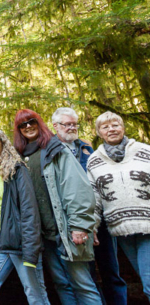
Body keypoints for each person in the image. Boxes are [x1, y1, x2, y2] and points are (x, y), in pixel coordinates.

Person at [13, 109, 102, 305]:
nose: (28, 126)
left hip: (67, 230)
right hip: (45, 235)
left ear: (40, 123)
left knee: (83, 284)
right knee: (61, 283)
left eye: (31, 121)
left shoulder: (55, 149)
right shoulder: (20, 157)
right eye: (22, 124)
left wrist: (79, 225)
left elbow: (77, 188)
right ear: (18, 130)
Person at [52, 108, 127, 305]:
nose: (71, 128)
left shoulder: (87, 149)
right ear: (55, 126)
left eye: (74, 124)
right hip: (74, 223)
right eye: (66, 124)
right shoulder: (51, 151)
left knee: (111, 270)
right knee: (87, 276)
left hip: (99, 219)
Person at [0, 129, 49, 305]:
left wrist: (31, 248)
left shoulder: (17, 169)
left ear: (3, 145)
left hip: (20, 245)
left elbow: (29, 210)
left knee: (36, 296)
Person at [87, 111, 150, 301]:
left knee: (149, 284)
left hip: (148, 225)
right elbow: (95, 198)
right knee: (144, 277)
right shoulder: (94, 160)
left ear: (123, 127)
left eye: (115, 125)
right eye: (105, 127)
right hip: (121, 230)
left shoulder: (144, 151)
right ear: (99, 132)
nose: (111, 129)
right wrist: (93, 227)